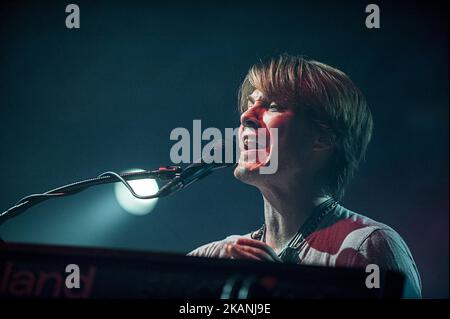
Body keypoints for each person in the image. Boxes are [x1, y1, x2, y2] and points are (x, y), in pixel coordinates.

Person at [188, 54, 422, 298]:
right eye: (249, 105)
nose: (246, 117)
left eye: (273, 106)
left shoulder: (367, 248)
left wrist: (284, 292)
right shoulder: (213, 258)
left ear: (323, 137)